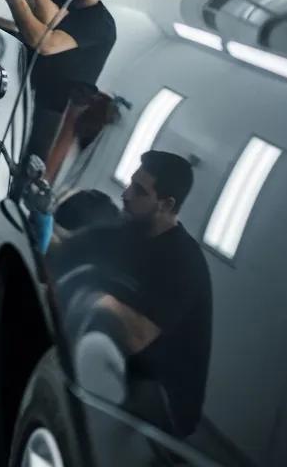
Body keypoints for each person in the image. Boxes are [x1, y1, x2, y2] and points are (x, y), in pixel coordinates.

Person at [65, 151, 212, 438]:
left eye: (140, 191)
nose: (126, 194)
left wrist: (91, 295)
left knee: (91, 340)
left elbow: (136, 338)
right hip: (126, 371)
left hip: (162, 400)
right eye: (131, 184)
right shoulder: (129, 229)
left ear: (166, 204)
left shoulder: (185, 262)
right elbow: (68, 248)